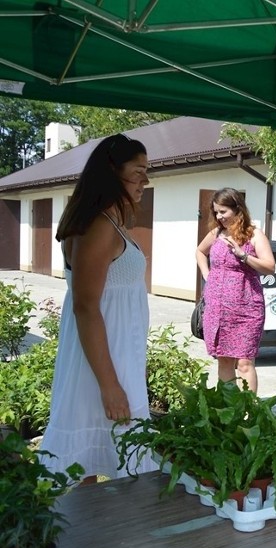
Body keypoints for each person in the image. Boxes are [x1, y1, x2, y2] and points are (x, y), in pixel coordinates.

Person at [39, 133, 158, 484]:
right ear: (111, 171)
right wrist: (110, 384)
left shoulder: (108, 222)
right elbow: (86, 307)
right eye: (138, 171)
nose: (145, 180)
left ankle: (99, 533)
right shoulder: (98, 227)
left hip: (115, 353)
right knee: (93, 462)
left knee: (93, 458)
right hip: (103, 361)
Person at [195, 188, 275, 393]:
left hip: (246, 308)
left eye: (223, 211)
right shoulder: (216, 234)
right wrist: (207, 275)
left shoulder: (254, 234)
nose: (219, 217)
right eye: (216, 213)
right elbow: (199, 252)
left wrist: (243, 256)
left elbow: (270, 266)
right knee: (224, 360)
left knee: (244, 363)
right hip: (218, 308)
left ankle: (249, 411)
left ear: (237, 209)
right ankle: (228, 410)